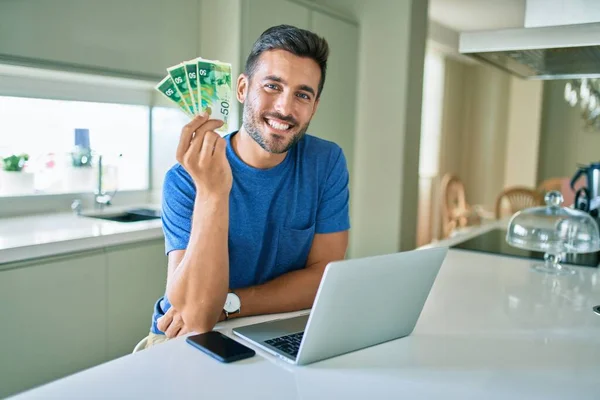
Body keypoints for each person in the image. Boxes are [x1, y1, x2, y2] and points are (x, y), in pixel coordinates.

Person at [146, 24, 350, 348]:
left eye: (302, 94)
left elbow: (325, 278)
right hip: (182, 336)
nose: (285, 108)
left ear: (314, 106)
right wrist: (213, 192)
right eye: (272, 86)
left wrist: (230, 304)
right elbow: (197, 319)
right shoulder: (185, 178)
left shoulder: (326, 163)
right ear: (242, 88)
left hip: (274, 326)